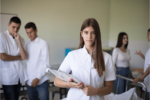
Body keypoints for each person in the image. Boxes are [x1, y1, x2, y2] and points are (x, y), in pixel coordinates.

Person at [54, 18, 116, 100]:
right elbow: (56, 81)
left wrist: (95, 91)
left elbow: (109, 88)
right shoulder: (72, 55)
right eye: (86, 32)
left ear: (97, 34)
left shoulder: (107, 58)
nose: (89, 36)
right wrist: (68, 84)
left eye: (93, 33)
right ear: (81, 34)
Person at [0, 16, 27, 100]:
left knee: (16, 98)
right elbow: (3, 57)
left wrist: (18, 40)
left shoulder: (21, 39)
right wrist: (18, 57)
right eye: (13, 27)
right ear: (8, 25)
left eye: (18, 28)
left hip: (18, 76)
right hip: (8, 76)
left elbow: (24, 57)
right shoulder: (2, 36)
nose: (15, 30)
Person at [24, 22, 50, 100]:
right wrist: (27, 78)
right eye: (27, 33)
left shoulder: (43, 43)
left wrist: (38, 78)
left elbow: (46, 64)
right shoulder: (27, 45)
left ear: (36, 30)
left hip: (41, 80)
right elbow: (28, 63)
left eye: (31, 32)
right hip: (30, 81)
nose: (29, 35)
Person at [133, 28, 150, 100]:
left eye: (148, 34)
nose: (147, 36)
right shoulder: (149, 50)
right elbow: (148, 61)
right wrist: (142, 55)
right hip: (147, 82)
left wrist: (140, 78)